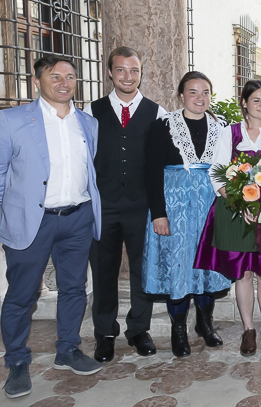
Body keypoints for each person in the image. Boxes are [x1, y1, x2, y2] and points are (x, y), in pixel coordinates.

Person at [0, 55, 103, 399]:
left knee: (74, 288)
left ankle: (67, 350)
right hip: (33, 221)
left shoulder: (87, 123)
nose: (64, 82)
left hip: (78, 217)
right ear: (38, 81)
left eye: (70, 76)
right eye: (56, 76)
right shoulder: (11, 120)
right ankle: (17, 362)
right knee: (22, 296)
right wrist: (15, 208)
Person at [194, 80, 261, 357]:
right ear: (245, 104)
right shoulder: (230, 133)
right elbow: (216, 171)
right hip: (237, 211)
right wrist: (238, 202)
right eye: (256, 100)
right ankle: (248, 328)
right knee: (244, 273)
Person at [85, 46, 167, 363]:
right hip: (103, 206)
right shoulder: (92, 112)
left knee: (141, 272)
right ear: (110, 73)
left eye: (134, 71)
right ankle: (105, 334)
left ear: (140, 73)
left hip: (140, 205)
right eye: (121, 70)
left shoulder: (156, 112)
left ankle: (138, 330)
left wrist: (158, 210)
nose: (128, 77)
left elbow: (158, 164)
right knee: (103, 271)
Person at [143, 71, 231, 358]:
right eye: (193, 92)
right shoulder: (163, 126)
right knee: (179, 268)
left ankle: (205, 324)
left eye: (205, 92)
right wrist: (159, 214)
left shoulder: (222, 127)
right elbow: (151, 172)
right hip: (175, 207)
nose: (199, 98)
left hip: (210, 206)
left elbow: (230, 169)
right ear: (181, 95)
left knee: (207, 266)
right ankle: (177, 330)